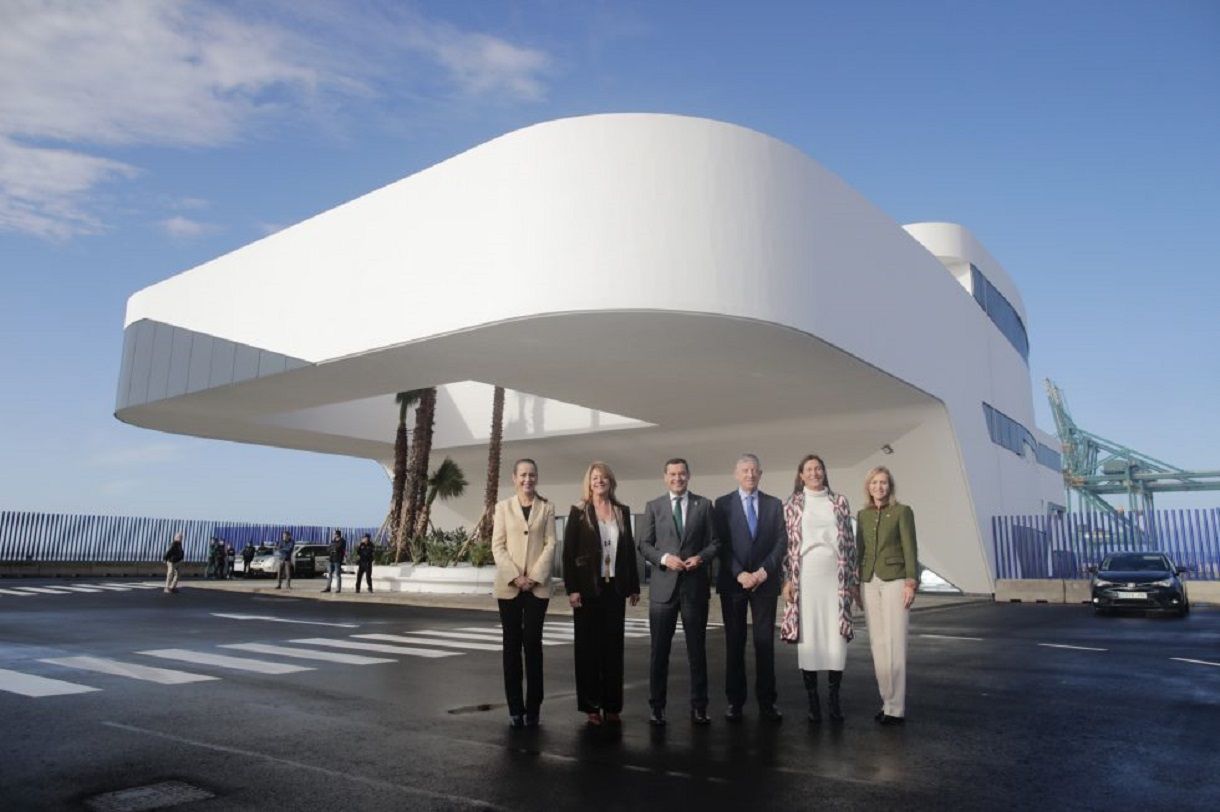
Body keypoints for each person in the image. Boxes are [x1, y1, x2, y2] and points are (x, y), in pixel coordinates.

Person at [637, 457, 720, 726]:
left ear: (689, 476)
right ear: (665, 477)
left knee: (697, 651)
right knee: (659, 651)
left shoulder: (704, 505)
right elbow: (644, 545)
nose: (677, 478)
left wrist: (701, 558)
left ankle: (699, 706)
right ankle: (657, 707)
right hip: (663, 590)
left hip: (694, 588)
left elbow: (716, 542)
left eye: (682, 474)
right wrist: (663, 559)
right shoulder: (654, 507)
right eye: (672, 474)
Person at [562, 462, 641, 726]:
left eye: (604, 478)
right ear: (589, 482)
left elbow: (628, 550)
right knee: (587, 650)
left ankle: (612, 705)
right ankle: (591, 706)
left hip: (614, 589)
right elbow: (569, 554)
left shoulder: (621, 511)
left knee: (613, 649)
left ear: (611, 482)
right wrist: (572, 588)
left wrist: (634, 586)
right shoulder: (579, 512)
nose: (600, 481)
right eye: (595, 478)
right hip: (587, 590)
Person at [780, 454, 857, 723]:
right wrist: (787, 579)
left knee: (836, 637)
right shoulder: (791, 505)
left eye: (818, 468)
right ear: (801, 475)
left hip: (835, 577)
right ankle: (813, 704)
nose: (814, 473)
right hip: (806, 577)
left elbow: (849, 542)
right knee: (809, 638)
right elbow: (786, 546)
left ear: (824, 472)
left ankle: (834, 701)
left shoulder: (839, 502)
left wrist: (853, 580)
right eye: (809, 469)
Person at [714, 453, 786, 723]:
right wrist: (740, 573)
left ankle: (767, 702)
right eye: (745, 470)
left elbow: (781, 541)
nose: (750, 475)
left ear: (761, 473)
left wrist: (762, 572)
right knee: (735, 643)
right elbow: (720, 543)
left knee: (764, 643)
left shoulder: (774, 504)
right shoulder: (722, 505)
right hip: (733, 584)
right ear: (736, 473)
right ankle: (735, 701)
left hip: (764, 583)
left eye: (754, 470)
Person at [491, 459, 557, 728]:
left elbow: (551, 543)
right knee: (511, 647)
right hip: (509, 587)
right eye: (523, 475)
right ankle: (514, 707)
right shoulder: (503, 508)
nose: (527, 479)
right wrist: (515, 576)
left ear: (537, 477)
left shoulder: (547, 508)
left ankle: (534, 707)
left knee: (532, 644)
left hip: (537, 587)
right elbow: (498, 546)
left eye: (532, 475)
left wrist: (533, 577)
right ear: (514, 478)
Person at [856, 465, 918, 727]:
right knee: (878, 644)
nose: (878, 487)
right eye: (874, 483)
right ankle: (886, 702)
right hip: (869, 581)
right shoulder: (862, 515)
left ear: (889, 486)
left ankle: (897, 707)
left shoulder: (902, 512)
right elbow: (859, 551)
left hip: (894, 580)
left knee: (895, 644)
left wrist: (911, 582)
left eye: (883, 483)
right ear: (868, 487)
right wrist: (854, 585)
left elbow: (910, 547)